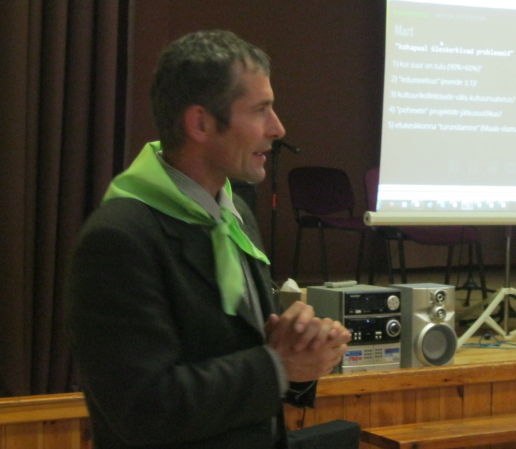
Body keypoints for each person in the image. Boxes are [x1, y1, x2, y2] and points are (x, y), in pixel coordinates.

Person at [66, 30, 350, 449]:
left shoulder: (237, 214)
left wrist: (304, 351)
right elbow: (143, 409)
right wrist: (277, 366)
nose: (278, 128)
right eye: (260, 110)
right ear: (200, 123)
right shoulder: (118, 238)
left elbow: (256, 352)